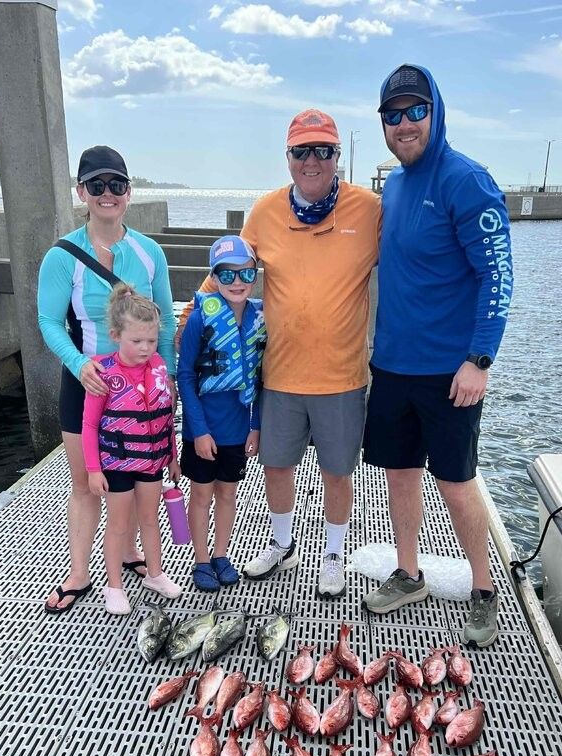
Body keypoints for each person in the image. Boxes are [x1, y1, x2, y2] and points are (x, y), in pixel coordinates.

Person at [176, 110, 380, 598]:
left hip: (342, 375)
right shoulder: (265, 212)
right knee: (276, 465)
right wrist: (190, 317)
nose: (312, 160)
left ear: (338, 156)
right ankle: (283, 544)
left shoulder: (371, 209)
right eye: (301, 151)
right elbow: (229, 272)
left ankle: (333, 553)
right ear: (288, 157)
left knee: (337, 471)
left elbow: (415, 261)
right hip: (280, 374)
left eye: (323, 150)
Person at [362, 63, 513, 648]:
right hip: (392, 367)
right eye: (393, 115)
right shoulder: (394, 187)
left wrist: (480, 358)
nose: (404, 124)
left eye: (415, 111)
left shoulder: (466, 180)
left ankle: (482, 590)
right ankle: (409, 572)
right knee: (399, 476)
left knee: (455, 482)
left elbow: (498, 275)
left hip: (451, 373)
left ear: (435, 112)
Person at [38, 145, 176, 613]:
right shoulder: (62, 256)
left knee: (139, 475)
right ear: (82, 192)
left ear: (128, 192)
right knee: (87, 483)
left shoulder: (149, 251)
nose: (107, 194)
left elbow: (167, 325)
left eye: (116, 184)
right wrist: (79, 363)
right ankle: (79, 573)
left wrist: (168, 378)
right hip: (88, 383)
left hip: (141, 385)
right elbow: (49, 321)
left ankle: (134, 553)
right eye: (96, 185)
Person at [82, 285, 182, 613]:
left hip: (152, 463)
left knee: (151, 520)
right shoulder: (103, 375)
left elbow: (166, 418)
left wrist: (172, 457)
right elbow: (90, 426)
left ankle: (155, 574)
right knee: (119, 525)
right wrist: (94, 470)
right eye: (136, 341)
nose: (145, 348)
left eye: (151, 341)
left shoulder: (158, 369)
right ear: (115, 335)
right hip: (116, 464)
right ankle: (114, 587)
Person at [177, 235, 265, 591]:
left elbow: (261, 379)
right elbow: (185, 375)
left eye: (245, 274)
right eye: (226, 275)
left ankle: (221, 554)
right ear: (213, 277)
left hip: (237, 431)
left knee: (227, 494)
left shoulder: (262, 319)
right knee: (200, 494)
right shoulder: (201, 318)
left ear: (255, 274)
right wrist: (198, 430)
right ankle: (200, 559)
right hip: (203, 431)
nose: (237, 282)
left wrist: (255, 427)